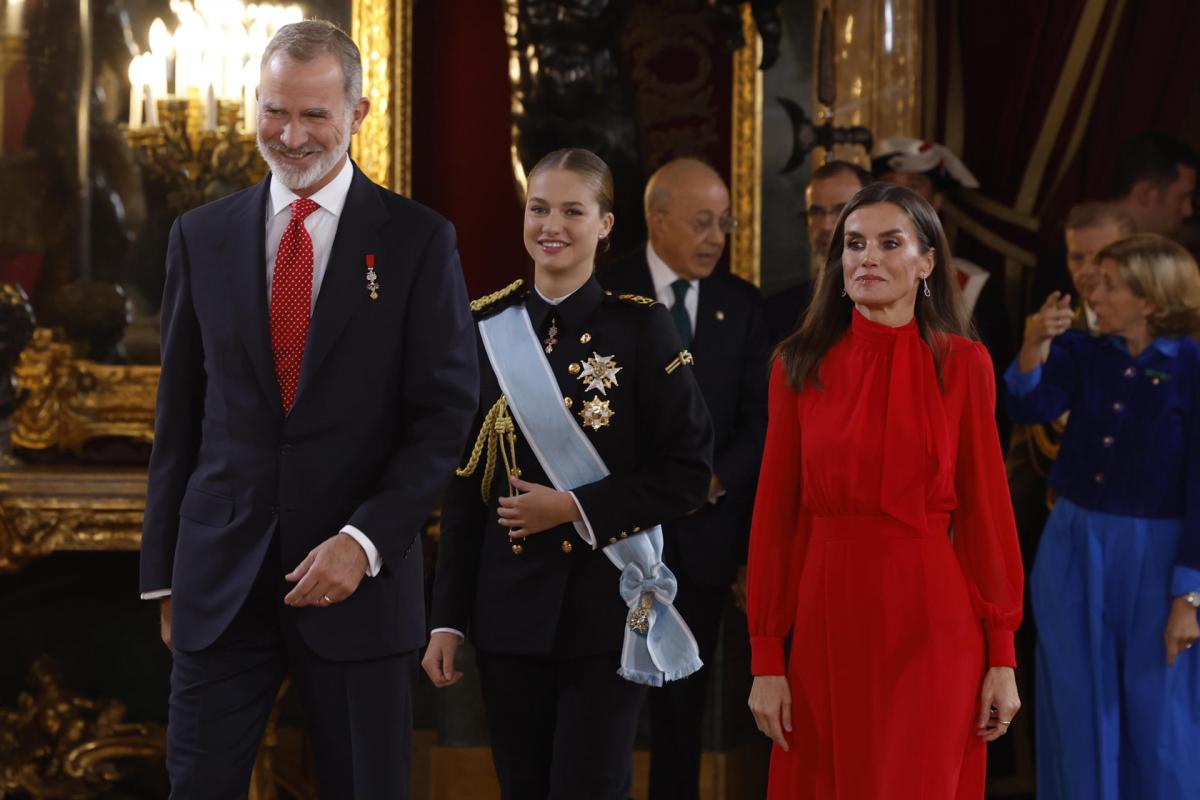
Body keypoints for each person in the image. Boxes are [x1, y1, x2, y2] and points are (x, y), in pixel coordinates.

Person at [138, 21, 479, 799]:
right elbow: (178, 417)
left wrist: (363, 541)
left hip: (358, 585)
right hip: (219, 585)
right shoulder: (200, 236)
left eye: (314, 116)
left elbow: (446, 413)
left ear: (359, 114)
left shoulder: (419, 241)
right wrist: (165, 580)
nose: (290, 137)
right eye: (274, 112)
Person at [424, 148, 714, 800]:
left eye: (573, 210)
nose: (552, 225)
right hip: (507, 615)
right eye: (539, 208)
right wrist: (447, 621)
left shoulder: (641, 327)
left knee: (589, 787)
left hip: (603, 610)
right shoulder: (484, 329)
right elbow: (466, 490)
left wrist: (576, 508)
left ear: (605, 224)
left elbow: (689, 472)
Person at [746, 182, 1024, 798]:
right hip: (826, 623)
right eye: (854, 244)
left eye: (889, 243)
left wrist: (1001, 655)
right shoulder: (797, 365)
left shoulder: (965, 365)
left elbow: (986, 515)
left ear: (927, 263)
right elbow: (775, 518)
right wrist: (767, 657)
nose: (866, 258)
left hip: (934, 623)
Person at [1005, 234, 1200, 799]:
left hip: (1159, 559)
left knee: (1157, 715)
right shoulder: (1083, 352)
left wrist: (1189, 597)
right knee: (1074, 702)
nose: (1095, 291)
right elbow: (1026, 403)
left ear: (1152, 301)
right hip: (1072, 542)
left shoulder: (1192, 368)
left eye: (1110, 284)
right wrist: (1033, 344)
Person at [599, 157, 769, 800]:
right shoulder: (606, 293)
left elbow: (762, 420)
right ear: (656, 219)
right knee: (604, 713)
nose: (715, 237)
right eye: (701, 222)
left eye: (723, 222)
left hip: (702, 546)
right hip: (615, 541)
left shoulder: (741, 305)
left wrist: (711, 484)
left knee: (683, 715)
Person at [764, 160, 871, 344]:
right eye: (817, 213)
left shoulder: (900, 303)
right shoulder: (777, 313)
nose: (826, 225)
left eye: (840, 211)